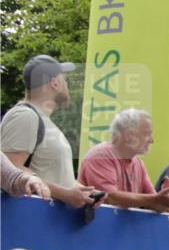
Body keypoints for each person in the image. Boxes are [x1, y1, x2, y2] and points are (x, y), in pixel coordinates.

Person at [1, 54, 101, 208]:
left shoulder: (41, 119)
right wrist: (65, 194)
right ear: (55, 82)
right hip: (31, 222)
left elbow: (47, 172)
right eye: (65, 80)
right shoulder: (24, 116)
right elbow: (9, 169)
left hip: (46, 225)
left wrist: (78, 190)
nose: (67, 85)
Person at [77, 109, 169, 212]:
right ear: (129, 135)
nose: (152, 140)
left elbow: (154, 204)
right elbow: (109, 197)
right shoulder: (100, 155)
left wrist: (167, 199)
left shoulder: (139, 164)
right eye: (147, 133)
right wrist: (156, 199)